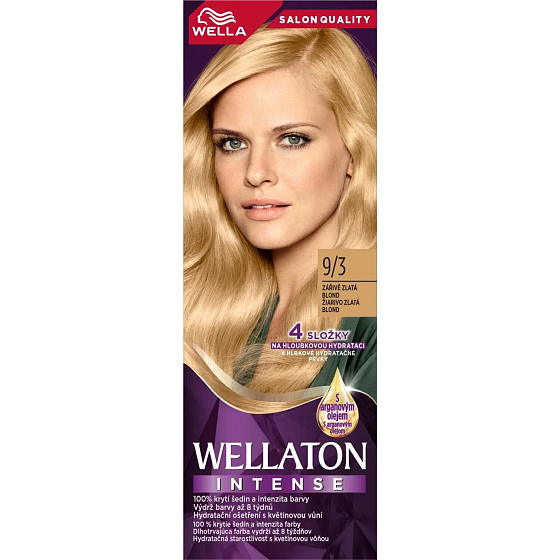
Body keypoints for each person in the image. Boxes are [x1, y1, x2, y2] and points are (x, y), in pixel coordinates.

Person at [183, 27, 376, 412]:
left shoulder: (372, 306)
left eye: (293, 139)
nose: (256, 173)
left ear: (354, 152)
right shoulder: (206, 302)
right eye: (232, 143)